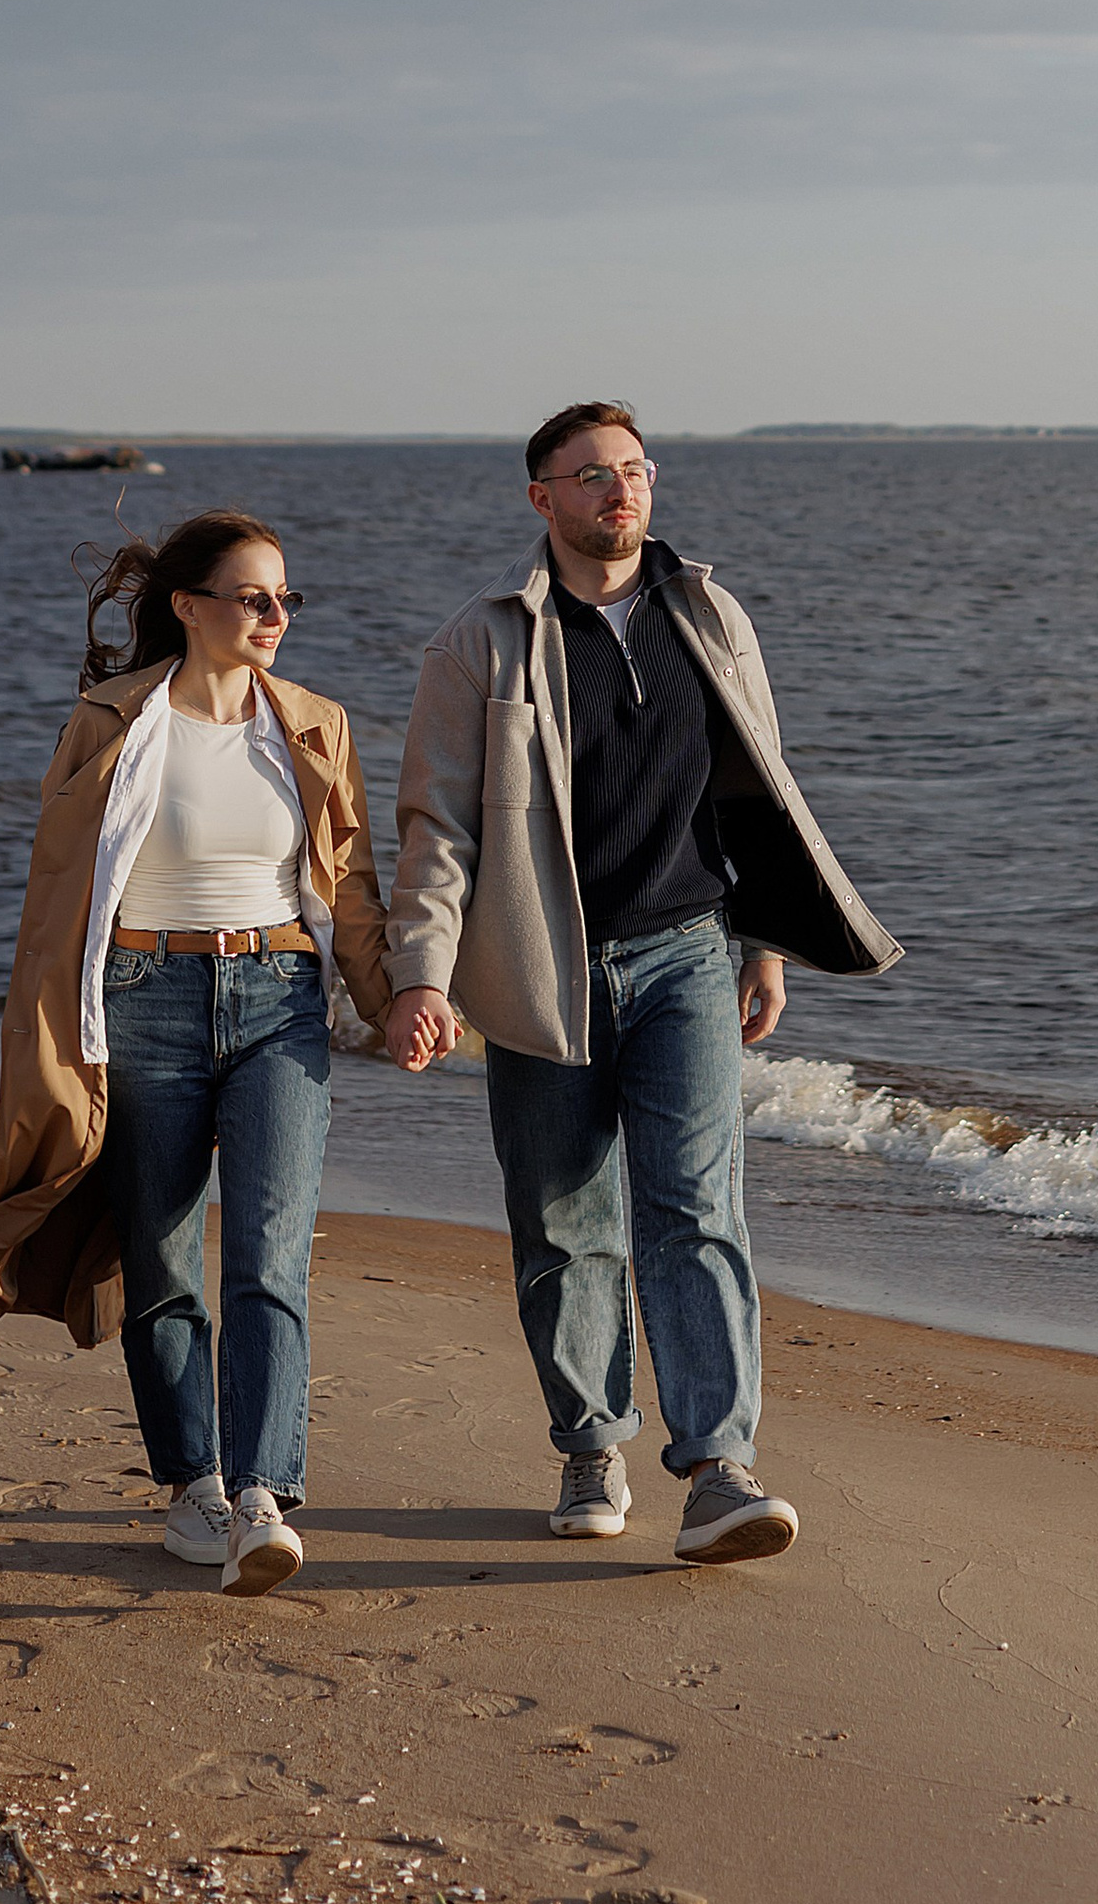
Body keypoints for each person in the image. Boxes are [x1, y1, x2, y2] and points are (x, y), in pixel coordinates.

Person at [383, 405, 898, 1565]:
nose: (619, 492)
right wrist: (423, 973)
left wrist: (763, 943)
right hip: (537, 968)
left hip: (685, 955)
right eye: (591, 476)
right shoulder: (483, 640)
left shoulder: (709, 614)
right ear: (543, 499)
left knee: (696, 1210)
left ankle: (720, 1469)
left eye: (634, 470)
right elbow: (436, 827)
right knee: (563, 1223)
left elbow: (754, 795)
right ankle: (590, 1441)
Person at [0, 508, 391, 1601]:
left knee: (268, 1251)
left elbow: (351, 883)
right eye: (254, 598)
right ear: (192, 607)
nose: (275, 617)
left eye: (286, 599)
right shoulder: (111, 719)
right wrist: (50, 1035)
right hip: (143, 998)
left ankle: (262, 1494)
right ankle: (193, 1486)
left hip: (278, 998)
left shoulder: (311, 725)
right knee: (158, 1260)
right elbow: (60, 889)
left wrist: (394, 1002)